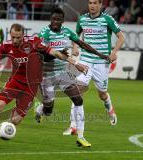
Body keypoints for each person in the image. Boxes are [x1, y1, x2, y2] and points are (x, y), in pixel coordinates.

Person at [0, 23, 87, 147]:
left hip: (31, 87)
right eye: (13, 37)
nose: (15, 40)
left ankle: (6, 124)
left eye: (18, 37)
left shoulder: (33, 43)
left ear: (23, 36)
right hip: (15, 82)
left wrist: (74, 63)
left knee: (15, 120)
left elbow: (54, 53)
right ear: (10, 34)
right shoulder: (6, 46)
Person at [34, 7, 110, 147]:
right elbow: (42, 54)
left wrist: (101, 55)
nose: (56, 21)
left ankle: (81, 137)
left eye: (59, 19)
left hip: (63, 74)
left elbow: (82, 44)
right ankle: (40, 109)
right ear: (50, 19)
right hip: (47, 75)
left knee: (78, 99)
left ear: (62, 20)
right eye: (54, 18)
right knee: (48, 110)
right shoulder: (44, 33)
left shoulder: (66, 32)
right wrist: (58, 53)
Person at [63, 0, 124, 135]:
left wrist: (114, 52)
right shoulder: (82, 19)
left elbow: (121, 37)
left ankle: (110, 110)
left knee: (102, 94)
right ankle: (73, 126)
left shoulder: (107, 19)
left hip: (101, 63)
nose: (92, 5)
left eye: (95, 3)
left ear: (100, 5)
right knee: (77, 92)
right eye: (90, 2)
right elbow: (75, 36)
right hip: (86, 62)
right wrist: (75, 47)